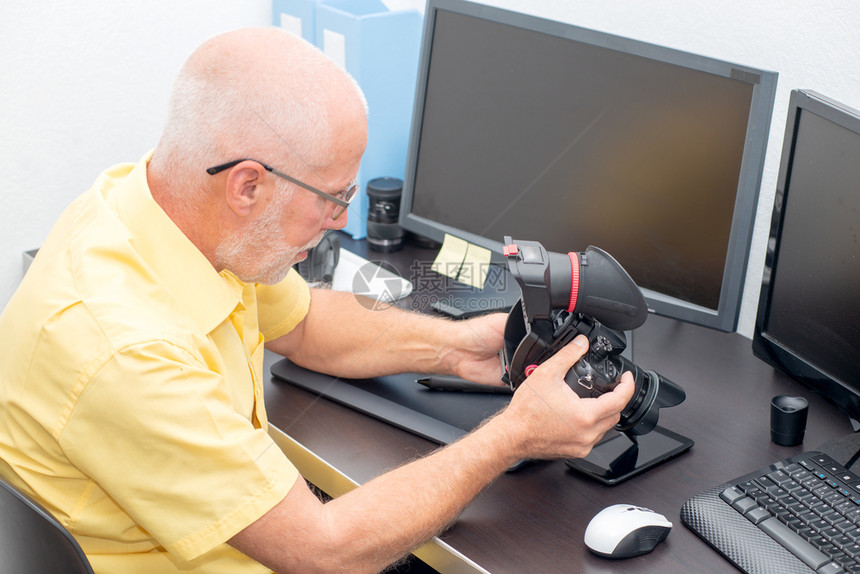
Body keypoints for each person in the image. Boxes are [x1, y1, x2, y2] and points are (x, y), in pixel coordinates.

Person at [0, 27, 634, 574]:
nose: (342, 219)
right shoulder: (124, 348)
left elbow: (303, 326)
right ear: (248, 185)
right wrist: (515, 435)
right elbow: (325, 553)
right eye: (332, 197)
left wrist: (459, 347)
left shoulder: (167, 210)